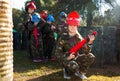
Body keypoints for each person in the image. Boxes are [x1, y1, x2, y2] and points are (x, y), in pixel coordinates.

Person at [55, 11, 95, 80]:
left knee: (90, 56)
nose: (72, 27)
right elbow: (57, 54)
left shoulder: (78, 37)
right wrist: (67, 57)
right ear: (68, 26)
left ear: (77, 26)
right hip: (66, 60)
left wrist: (90, 43)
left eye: (74, 25)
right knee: (73, 65)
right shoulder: (63, 38)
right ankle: (66, 71)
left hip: (76, 58)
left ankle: (81, 72)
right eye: (71, 25)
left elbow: (86, 52)